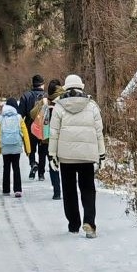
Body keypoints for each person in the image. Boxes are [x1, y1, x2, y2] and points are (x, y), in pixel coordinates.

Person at [49, 74, 105, 239]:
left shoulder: (59, 106)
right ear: (81, 86)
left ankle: (73, 224)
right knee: (88, 189)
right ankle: (89, 223)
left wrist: (52, 154)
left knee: (69, 190)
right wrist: (101, 153)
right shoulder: (92, 106)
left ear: (65, 87)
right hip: (87, 156)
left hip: (66, 157)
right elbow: (99, 132)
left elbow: (54, 133)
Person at [33, 79, 63, 200]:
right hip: (63, 138)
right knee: (66, 165)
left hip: (47, 137)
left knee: (52, 164)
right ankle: (68, 190)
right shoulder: (65, 100)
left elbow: (32, 114)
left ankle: (57, 191)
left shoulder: (44, 101)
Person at [0, 97, 31, 197]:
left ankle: (6, 190)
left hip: (5, 147)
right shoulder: (19, 118)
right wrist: (28, 149)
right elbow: (25, 133)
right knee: (16, 167)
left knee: (6, 167)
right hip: (16, 146)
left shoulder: (1, 118)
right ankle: (17, 190)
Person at [18, 74, 46, 180]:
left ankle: (33, 163)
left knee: (31, 149)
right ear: (42, 84)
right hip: (44, 127)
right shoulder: (46, 96)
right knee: (43, 150)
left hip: (30, 126)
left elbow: (20, 114)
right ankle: (41, 173)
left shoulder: (26, 96)